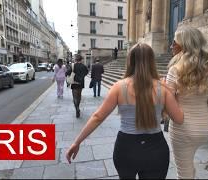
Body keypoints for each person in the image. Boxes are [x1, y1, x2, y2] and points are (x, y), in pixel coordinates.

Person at [66, 43, 184, 179]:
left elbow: (98, 117)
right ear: (152, 62)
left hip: (126, 149)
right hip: (156, 150)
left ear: (130, 61)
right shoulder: (162, 88)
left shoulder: (118, 87)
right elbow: (179, 119)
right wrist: (175, 94)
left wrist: (77, 142)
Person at [165, 27, 208, 179]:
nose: (171, 46)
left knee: (183, 171)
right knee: (189, 167)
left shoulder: (175, 70)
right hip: (205, 127)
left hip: (183, 128)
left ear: (184, 46)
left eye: (174, 42)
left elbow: (168, 102)